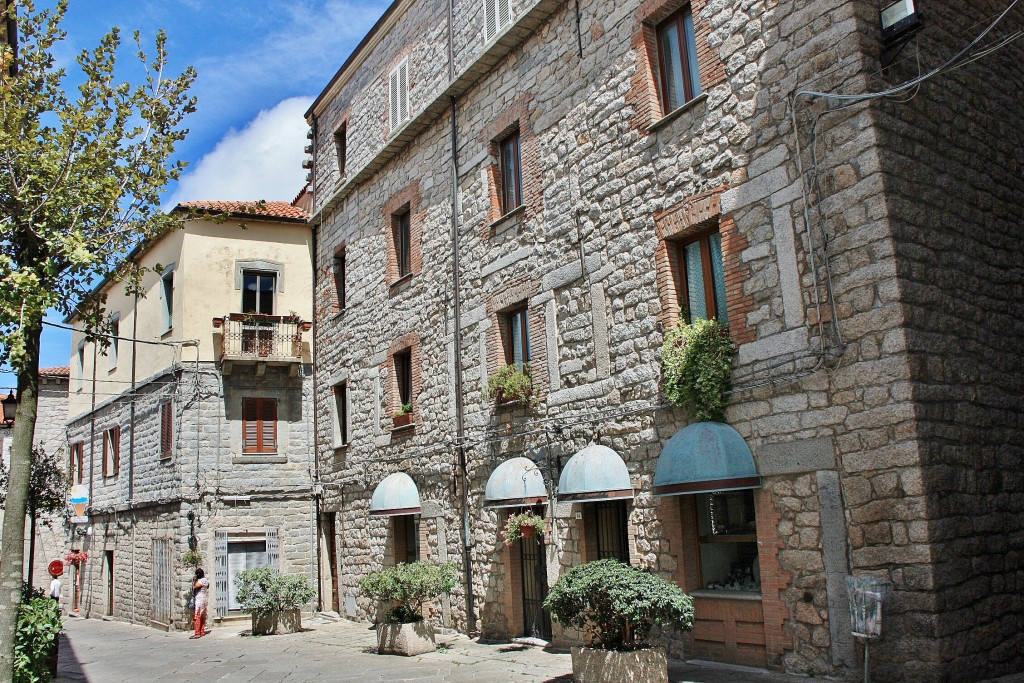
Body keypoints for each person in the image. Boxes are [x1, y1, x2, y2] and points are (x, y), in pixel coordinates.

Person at [191, 567, 210, 639]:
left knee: (197, 616)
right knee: (202, 616)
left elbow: (195, 587)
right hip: (204, 599)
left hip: (199, 600)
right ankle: (202, 631)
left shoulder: (201, 581)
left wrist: (194, 581)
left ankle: (197, 633)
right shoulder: (205, 580)